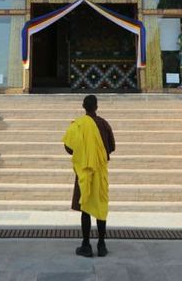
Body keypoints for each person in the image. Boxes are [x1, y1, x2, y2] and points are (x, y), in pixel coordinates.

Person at [62, 94, 115, 258]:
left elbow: (69, 148)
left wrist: (85, 152)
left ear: (83, 106)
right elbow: (112, 147)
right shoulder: (104, 124)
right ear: (96, 107)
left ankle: (86, 244)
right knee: (100, 207)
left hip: (84, 170)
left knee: (85, 207)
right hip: (99, 171)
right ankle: (101, 244)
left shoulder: (78, 125)